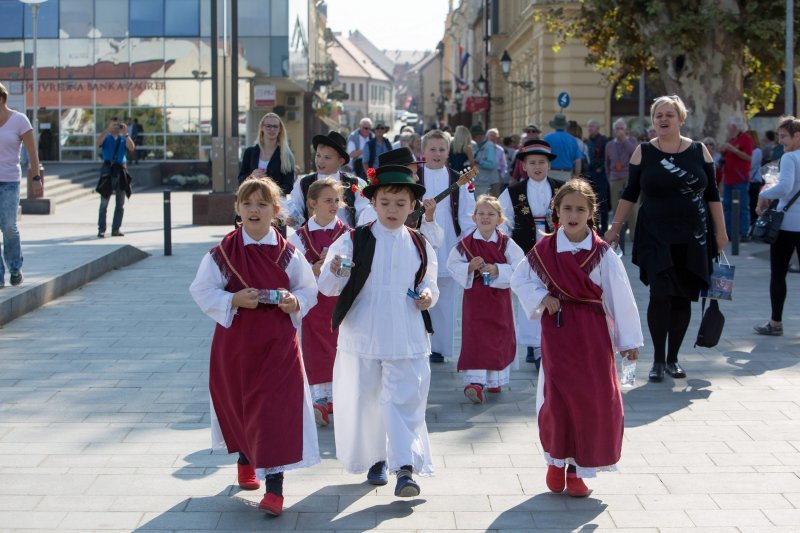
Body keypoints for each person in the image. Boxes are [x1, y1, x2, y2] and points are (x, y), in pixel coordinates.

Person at [189, 177, 320, 516]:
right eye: (248, 203)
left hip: (278, 345)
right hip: (237, 345)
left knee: (275, 410)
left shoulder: (289, 253)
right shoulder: (223, 254)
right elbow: (201, 291)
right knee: (241, 404)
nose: (254, 209)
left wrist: (295, 302)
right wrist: (232, 298)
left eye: (262, 204)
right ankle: (246, 458)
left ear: (276, 212)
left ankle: (274, 489)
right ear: (238, 209)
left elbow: (309, 290)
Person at [511, 178, 643, 498]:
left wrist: (629, 341)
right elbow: (519, 279)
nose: (573, 214)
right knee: (558, 401)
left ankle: (578, 471)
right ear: (557, 211)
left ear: (591, 213)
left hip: (593, 335)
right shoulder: (543, 250)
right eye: (567, 208)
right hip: (558, 333)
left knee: (592, 401)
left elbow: (620, 296)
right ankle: (556, 462)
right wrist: (542, 297)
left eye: (580, 209)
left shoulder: (602, 253)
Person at [318, 164, 439, 498]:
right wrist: (337, 268)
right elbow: (328, 285)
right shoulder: (354, 239)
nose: (392, 210)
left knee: (403, 399)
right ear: (373, 202)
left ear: (413, 205)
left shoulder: (419, 243)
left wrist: (428, 296)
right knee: (367, 399)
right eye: (385, 202)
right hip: (364, 333)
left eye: (400, 203)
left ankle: (405, 468)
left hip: (406, 334)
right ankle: (376, 458)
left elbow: (428, 282)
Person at [605, 95, 728, 383]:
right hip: (655, 236)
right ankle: (658, 359)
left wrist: (721, 232)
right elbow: (630, 193)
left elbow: (713, 195)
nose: (663, 119)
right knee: (660, 294)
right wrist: (614, 228)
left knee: (683, 297)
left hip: (693, 235)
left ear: (680, 119)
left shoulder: (700, 152)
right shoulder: (644, 152)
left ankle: (673, 359)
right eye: (658, 114)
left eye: (669, 114)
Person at [447, 195, 524, 403]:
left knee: (498, 335)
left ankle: (494, 379)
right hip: (475, 299)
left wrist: (498, 269)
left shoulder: (506, 243)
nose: (485, 217)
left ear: (500, 219)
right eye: (481, 213)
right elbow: (452, 265)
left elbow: (520, 266)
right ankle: (476, 382)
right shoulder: (466, 244)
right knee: (477, 336)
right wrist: (469, 268)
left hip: (499, 298)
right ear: (473, 217)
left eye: (491, 214)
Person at [288, 178, 349, 427]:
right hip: (314, 300)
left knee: (340, 344)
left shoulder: (347, 233)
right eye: (327, 201)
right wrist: (314, 267)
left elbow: (355, 266)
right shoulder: (299, 237)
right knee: (315, 346)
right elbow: (294, 271)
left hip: (340, 299)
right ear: (313, 203)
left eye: (336, 200)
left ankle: (340, 395)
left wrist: (339, 264)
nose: (334, 205)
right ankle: (319, 398)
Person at [499, 139, 561, 370]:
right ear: (524, 166)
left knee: (551, 291)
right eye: (532, 162)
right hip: (525, 247)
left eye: (542, 162)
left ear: (548, 165)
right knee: (529, 292)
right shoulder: (514, 191)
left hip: (554, 248)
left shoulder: (560, 188)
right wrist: (505, 246)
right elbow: (502, 220)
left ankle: (545, 343)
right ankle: (533, 346)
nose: (537, 167)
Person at [418, 130, 476, 363]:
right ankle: (419, 342)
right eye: (432, 149)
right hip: (419, 240)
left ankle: (439, 347)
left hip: (449, 241)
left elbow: (466, 213)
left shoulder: (458, 180)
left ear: (448, 151)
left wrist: (468, 242)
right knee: (418, 291)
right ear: (423, 151)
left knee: (446, 295)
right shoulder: (414, 177)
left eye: (442, 149)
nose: (437, 153)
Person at [753, 116, 800, 336]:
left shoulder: (790, 158)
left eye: (784, 136)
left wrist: (764, 193)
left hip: (787, 225)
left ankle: (775, 323)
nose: (780, 141)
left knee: (778, 274)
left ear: (797, 136)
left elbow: (784, 188)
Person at [0, 82, 41, 288]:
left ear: (1, 99)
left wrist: (36, 178)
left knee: (8, 226)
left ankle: (15, 268)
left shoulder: (19, 120)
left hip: (9, 181)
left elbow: (32, 152)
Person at [288, 131, 369, 228]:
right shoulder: (303, 183)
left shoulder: (355, 183)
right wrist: (293, 218)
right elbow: (296, 209)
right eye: (318, 155)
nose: (320, 161)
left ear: (340, 161)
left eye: (327, 157)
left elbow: (363, 215)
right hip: (312, 239)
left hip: (345, 239)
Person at [238, 113, 296, 195]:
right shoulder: (250, 152)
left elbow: (289, 186)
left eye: (275, 126)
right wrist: (251, 177)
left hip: (275, 202)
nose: (272, 129)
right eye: (268, 126)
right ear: (262, 128)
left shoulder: (287, 155)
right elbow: (240, 180)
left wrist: (270, 190)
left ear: (280, 129)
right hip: (252, 199)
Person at [96, 117, 134, 238]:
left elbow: (132, 147)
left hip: (121, 170)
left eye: (118, 125)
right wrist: (107, 130)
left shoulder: (123, 139)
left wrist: (126, 134)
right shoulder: (106, 137)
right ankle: (101, 229)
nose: (116, 127)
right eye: (113, 125)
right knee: (104, 203)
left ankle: (116, 229)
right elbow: (98, 143)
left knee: (120, 203)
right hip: (108, 170)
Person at [721, 115, 754, 241]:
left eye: (729, 126)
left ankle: (743, 232)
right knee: (728, 205)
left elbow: (748, 157)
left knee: (743, 206)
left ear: (734, 126)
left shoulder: (746, 139)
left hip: (740, 179)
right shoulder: (730, 139)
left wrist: (733, 150)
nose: (728, 129)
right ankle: (729, 232)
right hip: (729, 178)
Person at [605, 118, 639, 238]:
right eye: (617, 128)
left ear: (626, 130)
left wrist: (624, 140)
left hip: (629, 178)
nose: (619, 131)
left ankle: (634, 236)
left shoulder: (632, 141)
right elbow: (607, 163)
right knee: (616, 208)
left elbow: (635, 153)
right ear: (614, 130)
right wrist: (610, 177)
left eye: (621, 128)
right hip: (615, 178)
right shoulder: (609, 144)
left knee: (633, 210)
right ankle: (617, 235)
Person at [585, 119, 609, 234]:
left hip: (600, 175)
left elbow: (606, 157)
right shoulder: (587, 141)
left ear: (598, 128)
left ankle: (604, 227)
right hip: (589, 175)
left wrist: (601, 168)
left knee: (602, 201)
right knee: (591, 201)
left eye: (592, 126)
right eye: (589, 126)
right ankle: (595, 226)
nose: (590, 128)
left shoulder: (604, 140)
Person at [544, 114, 581, 182]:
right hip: (567, 174)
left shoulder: (547, 138)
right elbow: (578, 161)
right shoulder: (572, 139)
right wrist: (576, 177)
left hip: (550, 173)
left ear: (554, 126)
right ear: (565, 126)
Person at [471, 124, 499, 197]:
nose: (473, 139)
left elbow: (491, 165)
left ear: (480, 135)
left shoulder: (489, 146)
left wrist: (479, 161)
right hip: (478, 181)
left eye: (474, 137)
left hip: (487, 183)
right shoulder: (475, 145)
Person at [745, 130, 763, 230]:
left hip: (754, 182)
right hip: (749, 181)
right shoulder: (750, 151)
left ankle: (754, 228)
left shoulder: (757, 151)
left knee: (753, 205)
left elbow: (750, 165)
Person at [486, 128, 507, 196]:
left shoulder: (500, 149)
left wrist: (501, 176)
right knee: (483, 195)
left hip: (496, 175)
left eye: (495, 135)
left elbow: (504, 165)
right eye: (491, 135)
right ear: (487, 137)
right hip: (484, 174)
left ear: (497, 138)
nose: (493, 137)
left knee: (495, 197)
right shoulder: (483, 149)